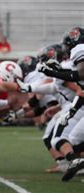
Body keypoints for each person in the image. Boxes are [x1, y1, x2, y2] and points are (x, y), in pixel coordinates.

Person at [33, 27, 84, 181]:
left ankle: (73, 162)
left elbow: (80, 74)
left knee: (61, 140)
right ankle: (75, 162)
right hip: (78, 105)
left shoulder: (79, 49)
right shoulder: (69, 66)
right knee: (73, 142)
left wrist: (53, 72)